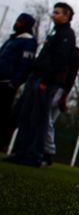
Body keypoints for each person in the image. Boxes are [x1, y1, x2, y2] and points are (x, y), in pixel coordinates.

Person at [6, 2, 77, 167]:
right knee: (26, 115)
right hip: (36, 78)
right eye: (54, 12)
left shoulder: (67, 35)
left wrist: (45, 79)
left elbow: (60, 60)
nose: (54, 15)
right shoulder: (55, 32)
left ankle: (34, 154)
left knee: (38, 118)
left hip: (45, 82)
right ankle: (21, 151)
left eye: (58, 13)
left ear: (67, 16)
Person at [0, 13, 38, 152]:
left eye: (20, 22)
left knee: (3, 114)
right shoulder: (12, 39)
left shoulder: (28, 42)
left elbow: (25, 65)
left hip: (7, 84)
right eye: (17, 21)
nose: (16, 24)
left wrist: (14, 83)